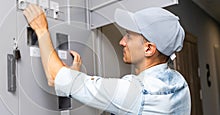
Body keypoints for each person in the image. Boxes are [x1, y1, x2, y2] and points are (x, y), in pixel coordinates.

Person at [23, 4, 191, 115]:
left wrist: (41, 29)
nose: (121, 42)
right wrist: (74, 81)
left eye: (129, 37)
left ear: (149, 48)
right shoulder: (180, 83)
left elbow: (54, 76)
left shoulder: (136, 92)